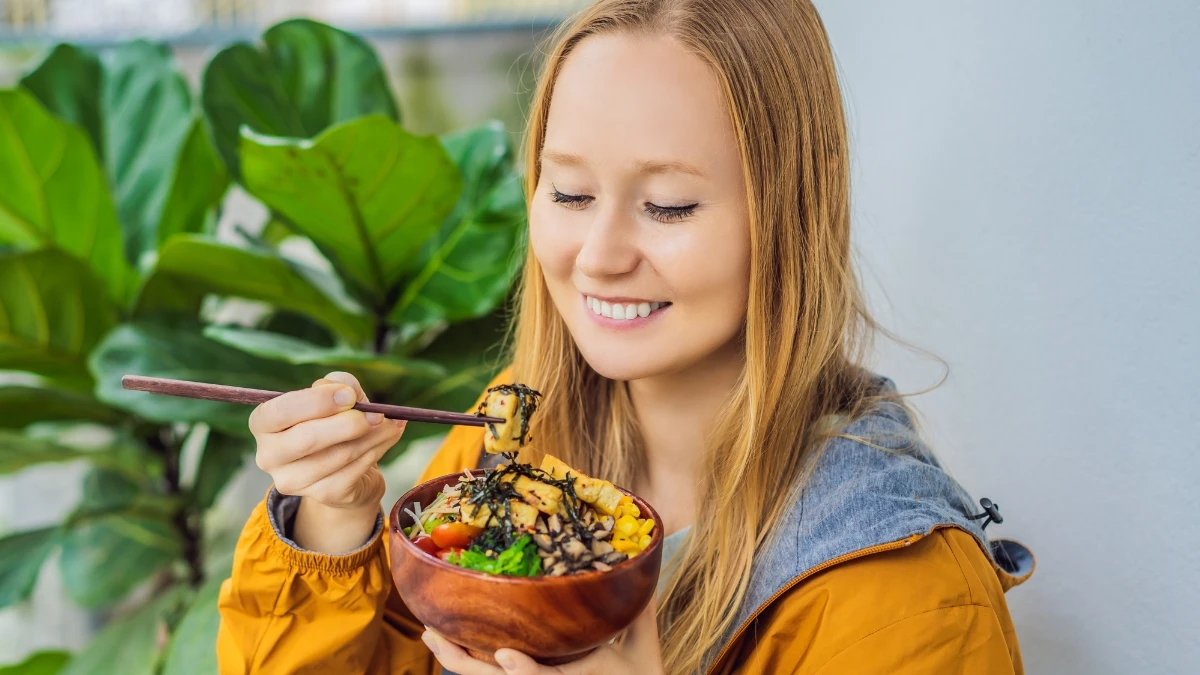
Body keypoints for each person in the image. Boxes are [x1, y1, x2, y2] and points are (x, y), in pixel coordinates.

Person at [216, 0, 1035, 673]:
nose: (599, 257)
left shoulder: (909, 594)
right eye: (569, 193)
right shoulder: (512, 448)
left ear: (790, 218)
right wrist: (334, 519)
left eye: (669, 206)